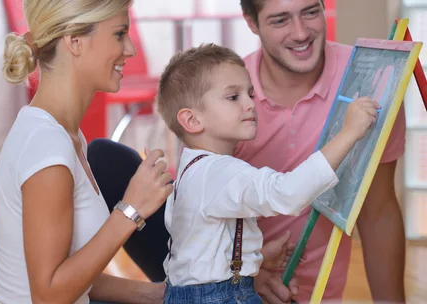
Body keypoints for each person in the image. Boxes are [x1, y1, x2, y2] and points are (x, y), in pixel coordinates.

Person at [88, 0, 406, 303]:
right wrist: (244, 276)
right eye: (280, 19)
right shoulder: (219, 99)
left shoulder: (368, 84)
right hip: (222, 276)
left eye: (311, 12)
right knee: (105, 157)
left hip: (293, 286)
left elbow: (378, 211)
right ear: (252, 22)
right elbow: (202, 216)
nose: (300, 33)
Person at [0, 0, 174, 304]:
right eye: (119, 34)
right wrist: (131, 209)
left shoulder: (61, 134)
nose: (130, 49)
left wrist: (157, 295)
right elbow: (49, 295)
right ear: (75, 42)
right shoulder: (47, 148)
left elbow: (72, 275)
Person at [155, 44, 378, 303]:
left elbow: (204, 249)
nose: (250, 104)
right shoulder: (217, 171)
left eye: (249, 94)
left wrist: (253, 255)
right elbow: (288, 193)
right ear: (192, 120)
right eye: (233, 97)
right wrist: (349, 133)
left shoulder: (194, 168)